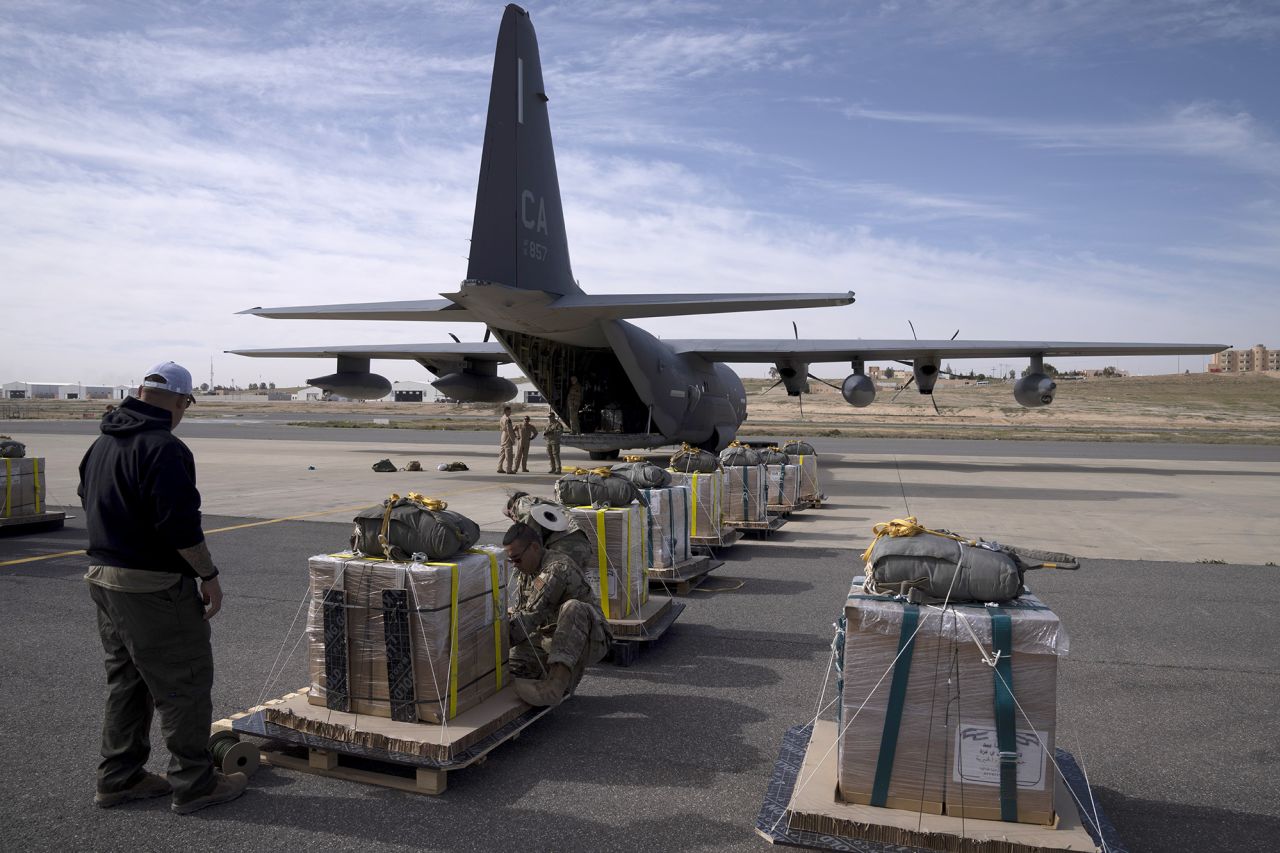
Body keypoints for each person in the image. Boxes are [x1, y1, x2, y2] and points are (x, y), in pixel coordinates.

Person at [78, 361, 248, 814]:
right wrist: (208, 576)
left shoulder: (101, 443)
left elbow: (87, 500)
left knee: (128, 682)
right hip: (151, 586)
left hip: (103, 578)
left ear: (139, 391)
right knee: (184, 683)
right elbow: (180, 527)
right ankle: (196, 783)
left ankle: (120, 777)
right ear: (179, 402)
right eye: (185, 405)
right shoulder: (164, 448)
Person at [503, 523, 609, 706]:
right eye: (511, 560)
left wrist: (492, 641)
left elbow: (529, 618)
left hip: (588, 638)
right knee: (508, 671)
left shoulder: (556, 569)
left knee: (574, 607)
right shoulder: (527, 572)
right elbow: (522, 612)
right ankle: (545, 674)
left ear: (535, 547)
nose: (515, 566)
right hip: (549, 637)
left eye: (517, 559)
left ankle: (555, 686)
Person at [504, 491, 594, 569]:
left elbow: (531, 539)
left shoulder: (521, 504)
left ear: (511, 510)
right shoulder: (544, 502)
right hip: (583, 546)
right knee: (573, 585)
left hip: (564, 548)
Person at [497, 405, 516, 473]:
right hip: (507, 437)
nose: (510, 412)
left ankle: (499, 467)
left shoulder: (502, 418)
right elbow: (509, 430)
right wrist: (513, 439)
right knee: (509, 454)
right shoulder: (507, 419)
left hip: (503, 436)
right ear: (505, 411)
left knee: (502, 453)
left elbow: (501, 428)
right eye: (509, 411)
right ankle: (509, 469)